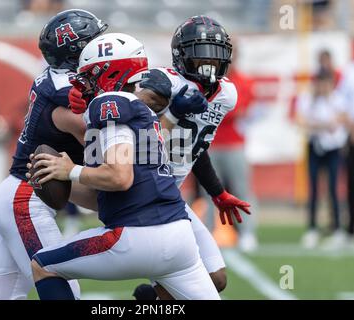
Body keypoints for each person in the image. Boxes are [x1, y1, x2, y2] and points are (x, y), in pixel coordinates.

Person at [68, 16, 251, 299]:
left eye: (215, 57)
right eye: (201, 56)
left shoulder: (227, 94)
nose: (209, 65)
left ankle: (150, 300)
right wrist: (87, 101)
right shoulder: (163, 82)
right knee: (188, 269)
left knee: (215, 278)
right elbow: (125, 120)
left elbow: (193, 147)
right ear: (181, 56)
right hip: (145, 190)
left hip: (169, 194)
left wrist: (217, 192)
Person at [28, 32, 220, 300]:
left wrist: (70, 170)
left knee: (43, 265)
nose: (83, 84)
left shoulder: (109, 103)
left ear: (110, 73)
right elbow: (107, 196)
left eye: (90, 76)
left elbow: (120, 178)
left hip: (135, 235)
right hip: (179, 239)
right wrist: (59, 181)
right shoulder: (141, 113)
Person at [0, 9, 108, 300]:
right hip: (26, 198)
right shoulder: (67, 89)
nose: (101, 50)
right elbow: (91, 129)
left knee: (3, 297)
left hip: (18, 193)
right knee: (60, 284)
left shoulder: (58, 79)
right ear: (76, 51)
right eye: (94, 43)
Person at [207, 43, 259, 252]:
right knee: (209, 192)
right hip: (210, 143)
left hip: (235, 144)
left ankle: (247, 233)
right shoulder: (211, 81)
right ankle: (208, 233)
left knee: (241, 189)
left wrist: (218, 113)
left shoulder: (244, 81)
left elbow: (239, 111)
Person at [296, 70, 347, 249]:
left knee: (333, 188)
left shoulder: (336, 98)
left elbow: (341, 119)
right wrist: (323, 124)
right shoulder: (308, 99)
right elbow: (302, 120)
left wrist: (321, 123)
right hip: (315, 145)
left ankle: (337, 229)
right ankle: (312, 229)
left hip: (333, 147)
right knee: (314, 189)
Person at [338, 36, 354, 248]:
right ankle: (352, 229)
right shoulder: (353, 71)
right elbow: (341, 102)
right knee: (352, 183)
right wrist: (352, 127)